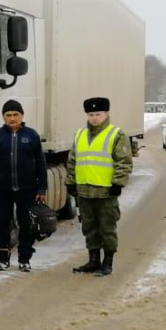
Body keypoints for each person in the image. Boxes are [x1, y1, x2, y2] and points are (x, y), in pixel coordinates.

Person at [67, 97, 133, 277]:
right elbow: (73, 160)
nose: (94, 118)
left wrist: (118, 183)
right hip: (85, 191)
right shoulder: (80, 134)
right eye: (91, 114)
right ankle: (93, 260)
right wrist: (71, 182)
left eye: (98, 114)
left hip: (106, 192)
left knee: (107, 227)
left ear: (107, 113)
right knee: (89, 227)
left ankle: (107, 262)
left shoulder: (116, 134)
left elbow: (124, 162)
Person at [0, 99, 48, 272]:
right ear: (3, 117)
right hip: (1, 190)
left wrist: (42, 188)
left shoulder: (31, 135)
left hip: (28, 189)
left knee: (27, 225)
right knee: (1, 223)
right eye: (8, 115)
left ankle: (25, 258)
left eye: (15, 115)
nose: (12, 118)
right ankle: (3, 257)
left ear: (22, 116)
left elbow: (40, 162)